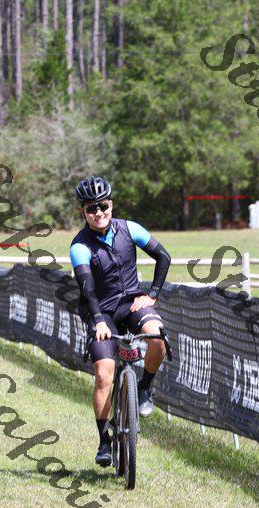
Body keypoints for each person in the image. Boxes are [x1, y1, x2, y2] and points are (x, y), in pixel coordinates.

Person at [70, 176, 171, 468]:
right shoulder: (80, 246)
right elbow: (87, 289)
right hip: (99, 311)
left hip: (132, 304)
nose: (98, 213)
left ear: (111, 205)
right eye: (91, 209)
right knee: (104, 372)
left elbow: (163, 257)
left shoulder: (130, 229)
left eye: (102, 206)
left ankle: (144, 388)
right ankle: (104, 440)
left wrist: (152, 294)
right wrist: (98, 321)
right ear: (83, 212)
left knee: (157, 338)